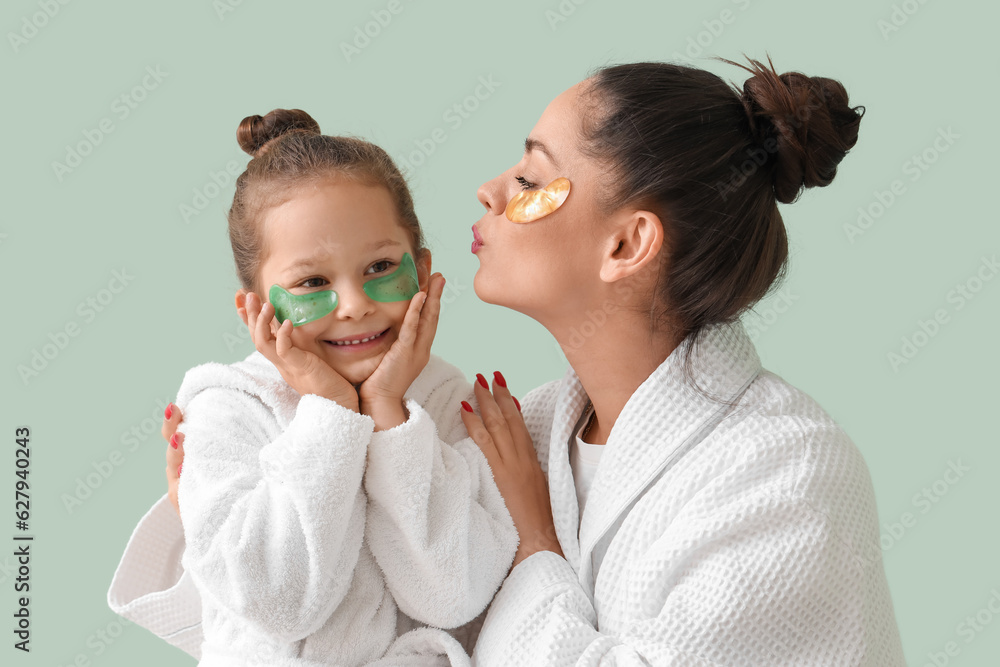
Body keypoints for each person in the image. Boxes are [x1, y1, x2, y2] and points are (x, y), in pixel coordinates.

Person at [139, 58, 909, 665]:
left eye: (532, 179)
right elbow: (383, 623)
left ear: (626, 244)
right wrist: (209, 509)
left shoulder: (787, 468)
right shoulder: (524, 427)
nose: (488, 190)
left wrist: (537, 546)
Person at [107, 109, 520, 667]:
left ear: (422, 270)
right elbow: (278, 604)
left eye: (379, 266)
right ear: (253, 308)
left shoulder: (448, 402)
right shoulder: (226, 410)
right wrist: (329, 413)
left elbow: (453, 593)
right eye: (312, 282)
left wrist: (387, 415)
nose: (354, 305)